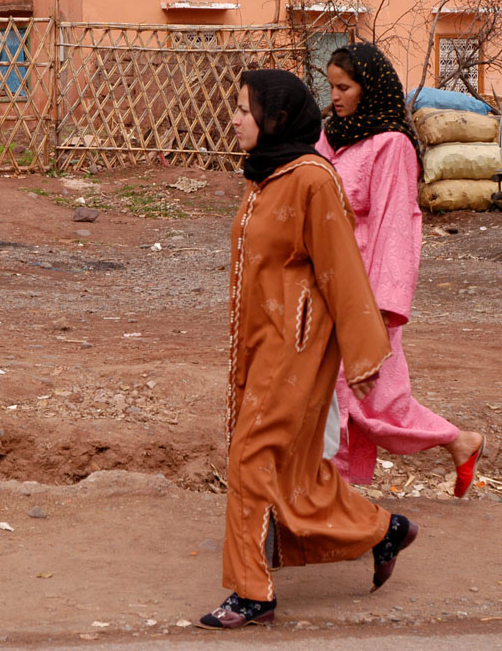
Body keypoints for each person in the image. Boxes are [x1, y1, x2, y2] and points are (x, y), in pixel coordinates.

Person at [199, 70, 418, 630]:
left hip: (295, 348)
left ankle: (253, 593)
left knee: (251, 456)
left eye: (243, 109)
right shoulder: (265, 176)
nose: (234, 118)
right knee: (294, 471)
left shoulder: (313, 180)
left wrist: (366, 356)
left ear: (275, 117)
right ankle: (383, 529)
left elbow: (343, 270)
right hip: (258, 344)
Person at [317, 43, 485, 495]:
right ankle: (335, 492)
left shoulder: (391, 146)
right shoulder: (332, 136)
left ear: (369, 89)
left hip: (364, 289)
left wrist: (380, 306)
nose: (335, 96)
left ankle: (334, 493)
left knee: (367, 396)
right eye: (331, 86)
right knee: (345, 394)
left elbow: (396, 226)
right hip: (324, 284)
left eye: (344, 87)